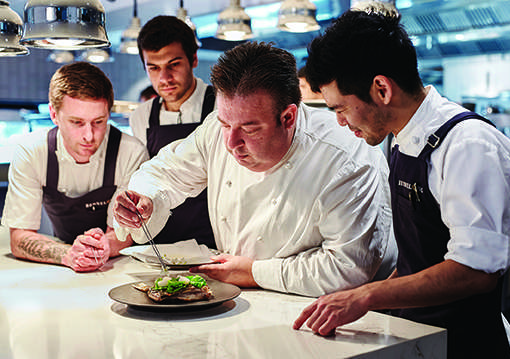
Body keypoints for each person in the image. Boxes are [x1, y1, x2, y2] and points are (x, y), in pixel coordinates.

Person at [293, 6, 510, 359]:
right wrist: (364, 303)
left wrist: (366, 296)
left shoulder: (468, 145)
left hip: (467, 345)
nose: (340, 123)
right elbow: (421, 260)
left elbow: (475, 271)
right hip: (420, 339)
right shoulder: (402, 140)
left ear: (381, 89)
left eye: (340, 108)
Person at [113, 41, 397, 297]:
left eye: (249, 129)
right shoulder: (216, 130)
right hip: (238, 299)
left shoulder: (347, 159)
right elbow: (163, 172)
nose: (231, 143)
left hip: (330, 314)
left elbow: (348, 269)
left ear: (288, 117)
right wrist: (146, 199)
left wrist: (254, 272)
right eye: (226, 124)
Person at [1, 62, 149, 272]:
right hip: (58, 264)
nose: (89, 136)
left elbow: (122, 235)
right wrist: (68, 254)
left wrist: (102, 247)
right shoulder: (32, 151)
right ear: (54, 115)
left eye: (99, 121)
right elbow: (19, 238)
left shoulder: (131, 152)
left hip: (114, 265)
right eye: (77, 122)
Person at [129, 15, 215, 248]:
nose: (164, 78)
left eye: (173, 65)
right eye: (154, 68)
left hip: (213, 242)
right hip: (157, 246)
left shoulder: (221, 106)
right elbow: (145, 176)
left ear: (194, 59)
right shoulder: (141, 116)